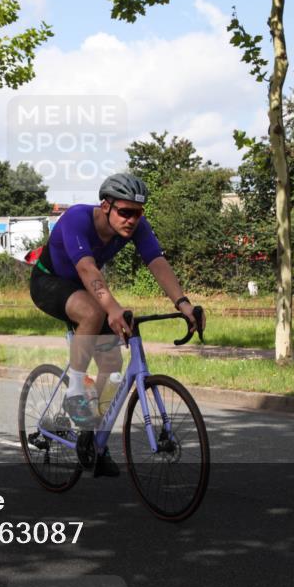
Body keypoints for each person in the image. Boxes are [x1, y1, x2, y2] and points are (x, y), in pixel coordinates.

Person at [29, 173, 204, 477]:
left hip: (86, 287)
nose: (132, 220)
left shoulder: (135, 226)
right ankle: (74, 392)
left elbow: (157, 262)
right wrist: (111, 308)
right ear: (106, 206)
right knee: (92, 312)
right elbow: (86, 267)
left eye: (138, 213)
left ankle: (92, 434)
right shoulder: (77, 219)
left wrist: (184, 304)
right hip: (49, 282)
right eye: (125, 212)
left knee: (112, 366)